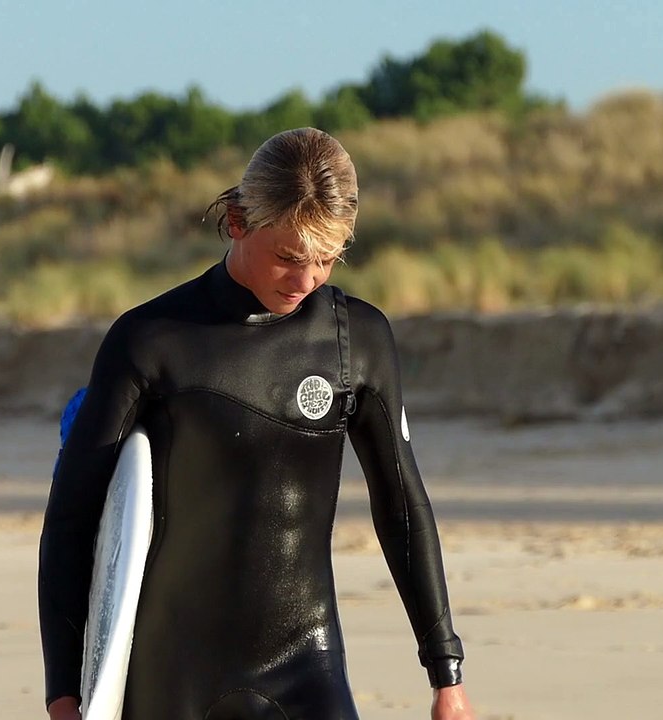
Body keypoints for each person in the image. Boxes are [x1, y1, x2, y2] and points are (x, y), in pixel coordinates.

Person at [38, 128, 475, 720]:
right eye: (289, 258)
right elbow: (72, 518)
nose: (306, 281)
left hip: (307, 659)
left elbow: (401, 506)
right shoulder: (152, 339)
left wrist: (446, 674)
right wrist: (64, 695)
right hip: (171, 672)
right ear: (239, 221)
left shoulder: (356, 340)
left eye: (327, 259)